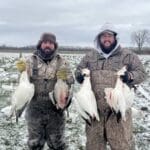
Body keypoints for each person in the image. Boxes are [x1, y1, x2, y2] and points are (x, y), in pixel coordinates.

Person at [75, 23, 146, 150]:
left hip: (119, 113)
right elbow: (78, 71)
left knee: (123, 146)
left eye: (109, 36)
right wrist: (79, 75)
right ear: (99, 38)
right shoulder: (90, 56)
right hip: (94, 112)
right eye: (103, 36)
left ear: (115, 38)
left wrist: (129, 76)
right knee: (94, 146)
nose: (106, 39)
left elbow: (142, 74)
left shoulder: (128, 56)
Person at [16, 33, 74, 150]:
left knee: (57, 143)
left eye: (51, 43)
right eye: (45, 42)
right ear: (40, 43)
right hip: (34, 109)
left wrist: (66, 78)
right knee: (35, 143)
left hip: (55, 110)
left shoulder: (62, 62)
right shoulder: (29, 61)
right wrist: (22, 72)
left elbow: (71, 82)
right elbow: (22, 84)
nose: (48, 45)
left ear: (54, 45)